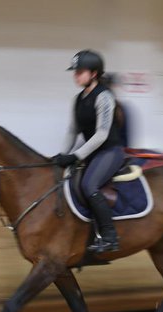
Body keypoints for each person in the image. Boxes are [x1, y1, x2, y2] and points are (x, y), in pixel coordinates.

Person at [52, 50, 124, 253]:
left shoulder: (104, 96)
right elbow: (73, 130)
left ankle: (110, 237)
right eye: (75, 72)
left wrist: (75, 156)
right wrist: (61, 155)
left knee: (89, 185)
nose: (76, 75)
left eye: (80, 72)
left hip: (111, 151)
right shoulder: (77, 99)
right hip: (92, 153)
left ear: (94, 73)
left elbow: (102, 134)